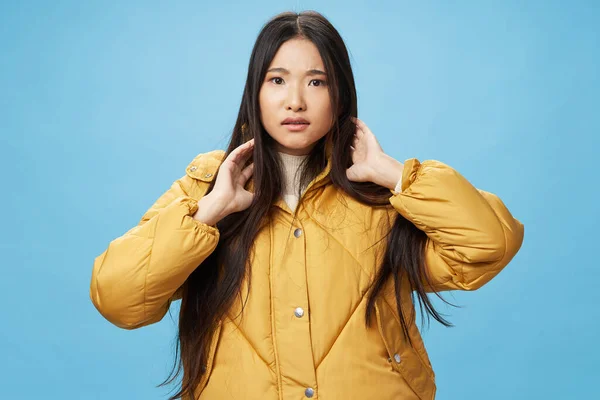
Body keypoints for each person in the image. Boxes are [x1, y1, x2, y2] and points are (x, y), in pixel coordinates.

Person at [90, 10, 524, 400]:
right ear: (255, 91)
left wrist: (397, 176)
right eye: (277, 80)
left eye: (316, 82)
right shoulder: (206, 187)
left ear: (340, 94)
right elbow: (119, 299)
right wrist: (209, 213)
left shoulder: (386, 196)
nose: (295, 100)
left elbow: (488, 244)